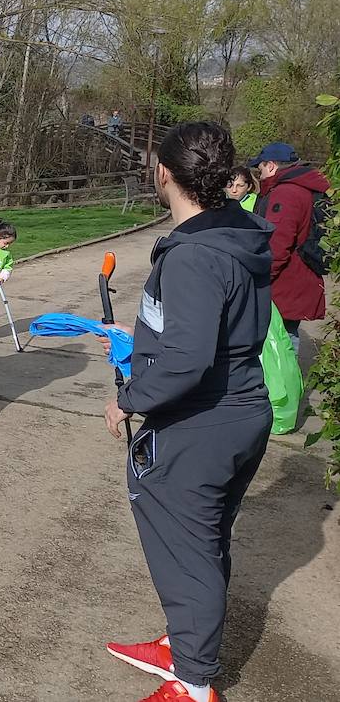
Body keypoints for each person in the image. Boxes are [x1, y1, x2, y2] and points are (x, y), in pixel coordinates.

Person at [101, 121, 273, 702]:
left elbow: (190, 359)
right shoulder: (237, 231)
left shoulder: (196, 253)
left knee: (189, 546)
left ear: (165, 174)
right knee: (203, 538)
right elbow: (204, 331)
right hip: (237, 410)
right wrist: (141, 339)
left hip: (205, 420)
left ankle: (193, 682)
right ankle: (184, 642)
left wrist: (128, 399)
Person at [248, 141, 329, 353]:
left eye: (261, 169)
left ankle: (285, 386)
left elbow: (277, 246)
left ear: (272, 166)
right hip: (300, 279)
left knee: (283, 345)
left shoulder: (286, 194)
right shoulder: (303, 188)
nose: (260, 175)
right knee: (287, 338)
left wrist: (258, 278)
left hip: (286, 283)